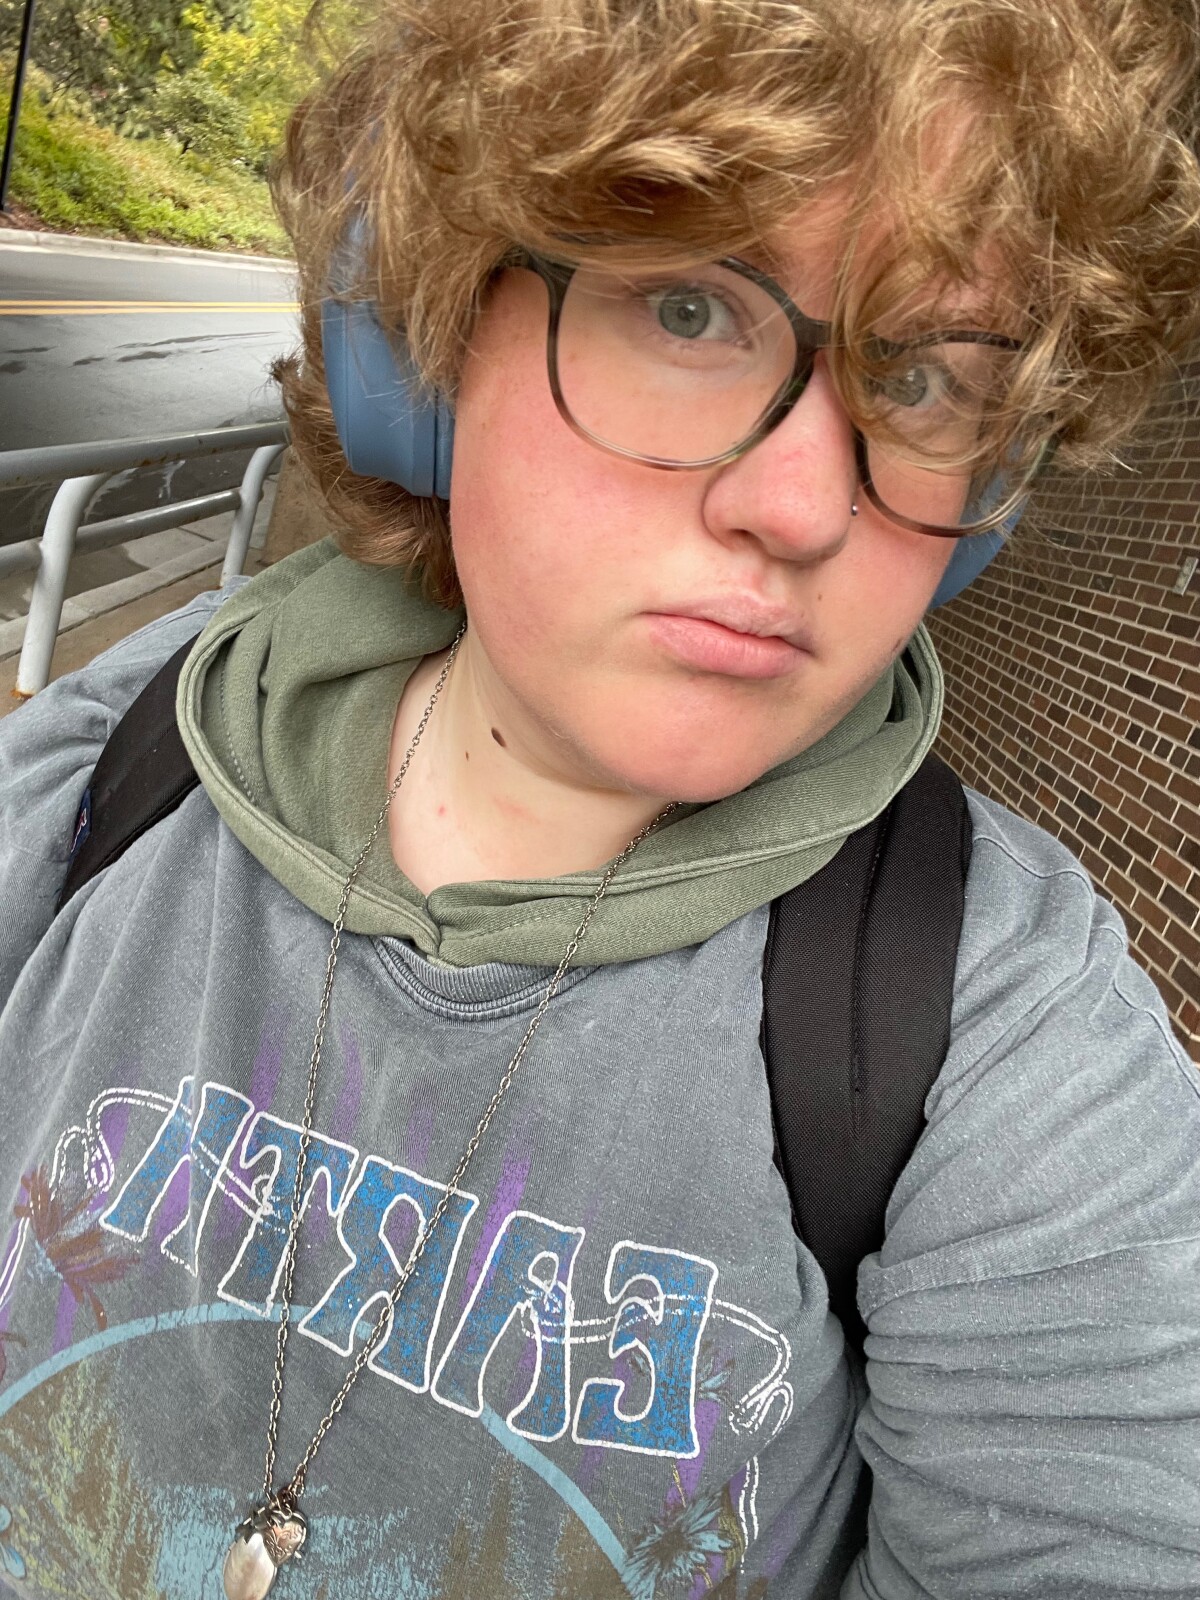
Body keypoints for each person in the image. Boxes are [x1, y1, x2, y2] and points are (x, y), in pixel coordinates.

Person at [1, 1, 1199, 1596]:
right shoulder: (121, 757)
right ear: (424, 344)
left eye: (921, 379)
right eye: (691, 310)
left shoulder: (1001, 1029)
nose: (801, 506)